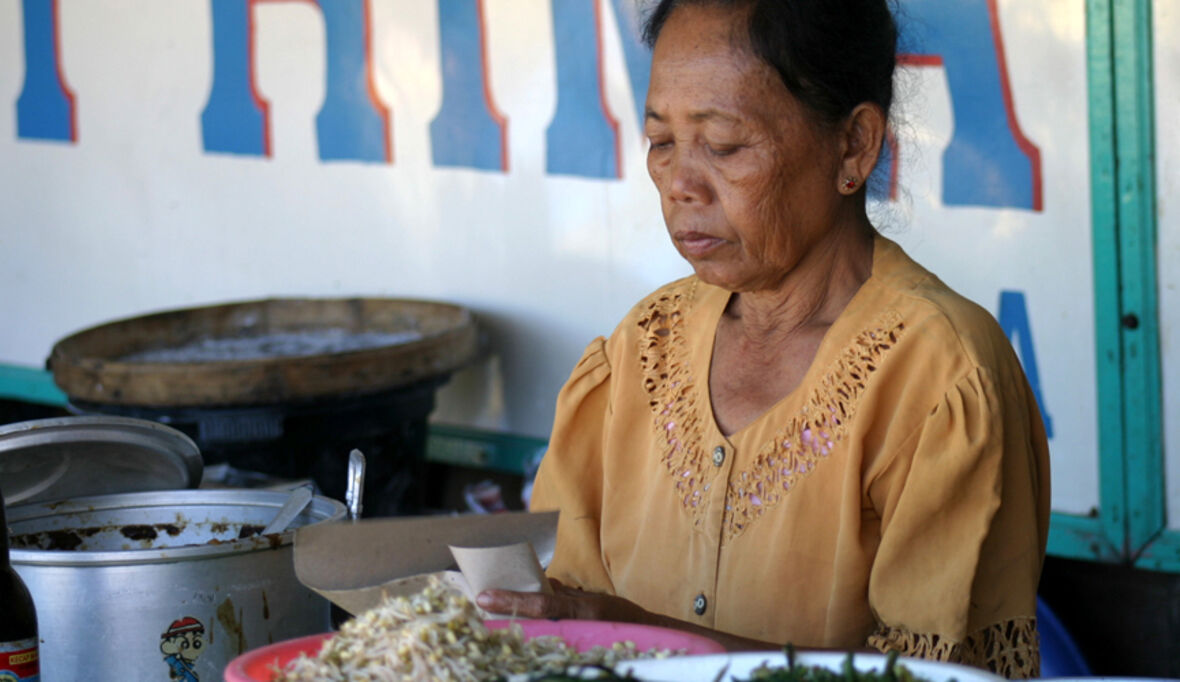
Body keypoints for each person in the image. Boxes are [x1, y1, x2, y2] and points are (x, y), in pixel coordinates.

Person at [477, 0, 1050, 677]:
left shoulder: (941, 378)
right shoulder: (642, 349)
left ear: (854, 145)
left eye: (724, 146)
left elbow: (928, 674)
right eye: (661, 142)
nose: (680, 185)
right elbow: (558, 609)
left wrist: (645, 639)